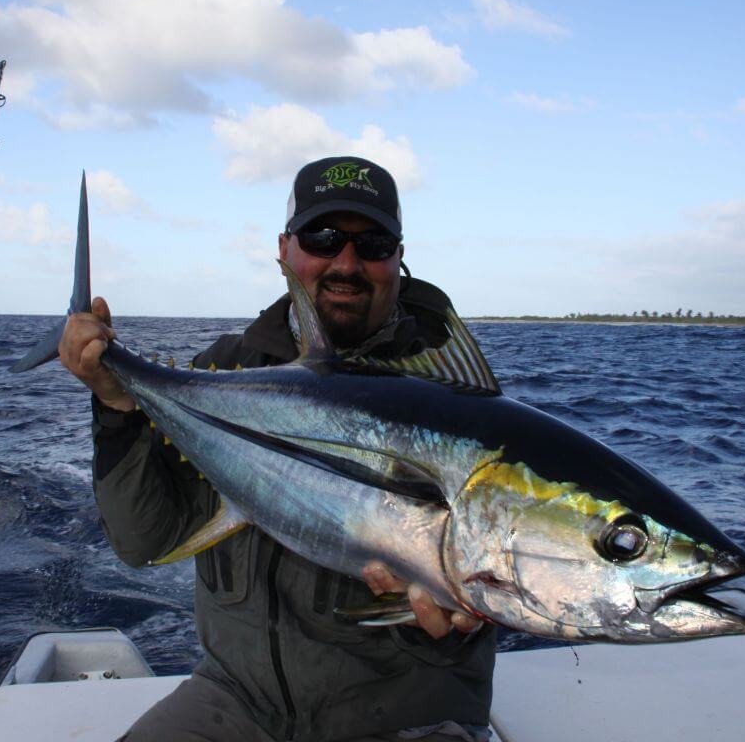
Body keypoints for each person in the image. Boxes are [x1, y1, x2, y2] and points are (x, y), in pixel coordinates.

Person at [59, 156, 496, 742]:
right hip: (234, 698)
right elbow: (147, 541)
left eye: (372, 243)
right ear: (286, 249)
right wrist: (116, 409)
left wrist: (466, 621)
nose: (346, 262)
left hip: (406, 712)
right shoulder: (223, 370)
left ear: (398, 256)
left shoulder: (452, 402)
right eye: (322, 238)